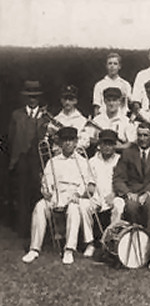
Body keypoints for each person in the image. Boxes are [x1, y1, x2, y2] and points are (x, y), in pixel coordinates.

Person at [22, 127, 95, 264]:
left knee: (74, 208)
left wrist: (78, 195)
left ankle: (69, 249)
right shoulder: (53, 162)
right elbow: (47, 181)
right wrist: (47, 192)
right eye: (65, 140)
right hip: (56, 196)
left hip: (74, 196)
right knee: (40, 206)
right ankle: (34, 249)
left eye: (71, 140)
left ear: (76, 142)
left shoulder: (82, 162)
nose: (68, 143)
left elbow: (87, 184)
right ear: (60, 143)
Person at [8, 80, 48, 238]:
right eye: (30, 96)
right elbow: (10, 138)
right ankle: (23, 230)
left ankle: (38, 230)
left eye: (35, 97)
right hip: (21, 160)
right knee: (22, 195)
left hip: (38, 162)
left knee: (37, 195)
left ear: (39, 98)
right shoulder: (17, 115)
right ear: (25, 98)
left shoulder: (45, 117)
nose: (32, 100)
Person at [79, 129, 125, 257]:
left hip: (114, 195)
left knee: (119, 204)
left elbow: (123, 181)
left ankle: (112, 242)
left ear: (115, 145)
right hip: (97, 197)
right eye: (104, 143)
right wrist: (90, 194)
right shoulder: (93, 161)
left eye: (110, 144)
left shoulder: (120, 160)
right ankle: (90, 243)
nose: (107, 147)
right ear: (99, 144)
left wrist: (115, 194)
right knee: (83, 205)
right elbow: (91, 183)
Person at [113, 122, 150, 233]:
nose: (142, 139)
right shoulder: (128, 153)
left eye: (145, 135)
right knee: (131, 206)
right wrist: (128, 193)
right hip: (132, 192)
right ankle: (132, 239)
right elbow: (118, 178)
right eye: (139, 135)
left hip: (149, 192)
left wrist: (148, 193)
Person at [47, 85, 89, 149]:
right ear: (61, 100)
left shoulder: (82, 120)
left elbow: (85, 142)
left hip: (76, 155)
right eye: (65, 99)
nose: (67, 102)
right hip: (59, 155)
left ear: (75, 101)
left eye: (70, 99)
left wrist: (70, 148)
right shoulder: (55, 120)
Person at [92, 52, 132, 117]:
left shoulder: (125, 85)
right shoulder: (99, 85)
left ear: (119, 66)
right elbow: (97, 108)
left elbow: (127, 106)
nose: (112, 66)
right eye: (110, 63)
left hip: (121, 121)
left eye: (115, 64)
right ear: (106, 66)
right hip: (104, 120)